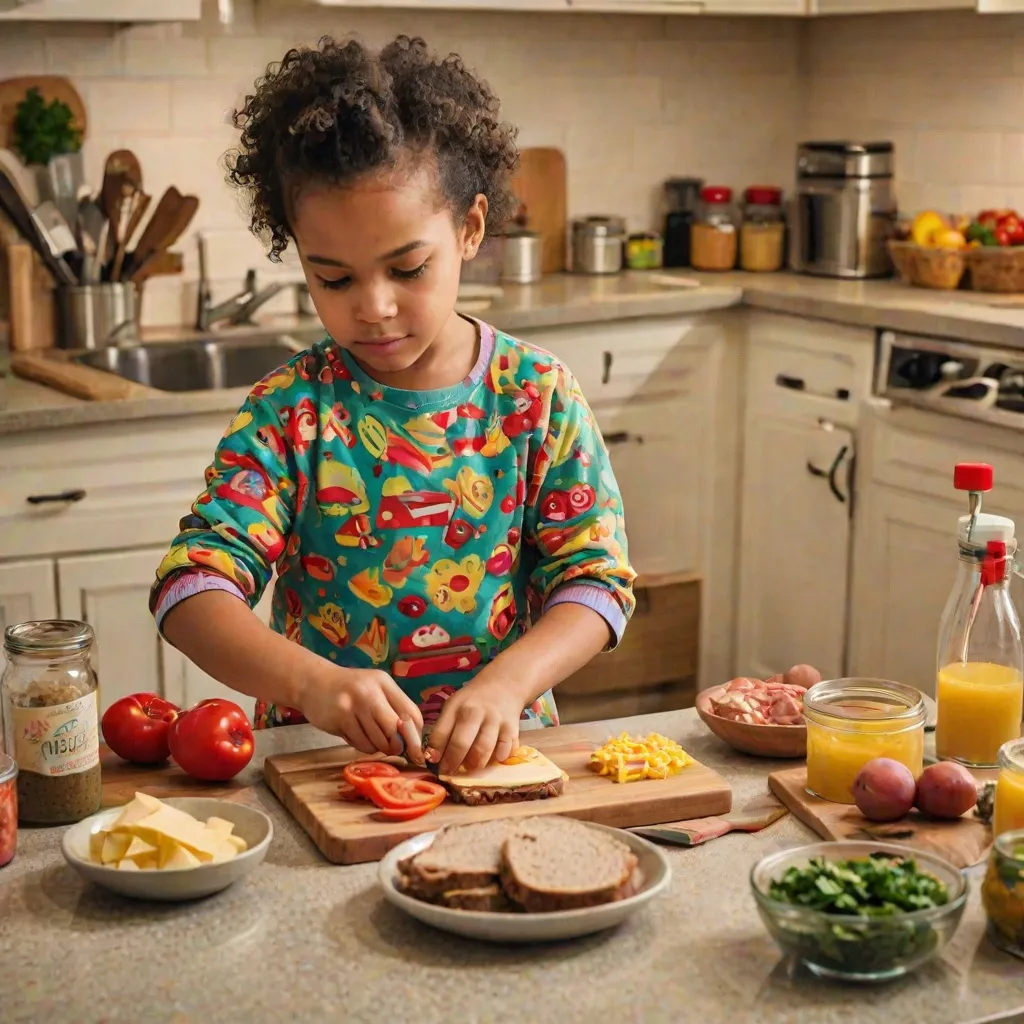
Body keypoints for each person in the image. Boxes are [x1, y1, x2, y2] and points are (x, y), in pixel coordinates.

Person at [151, 35, 636, 776]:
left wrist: (508, 685)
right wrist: (310, 684)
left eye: (407, 268)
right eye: (334, 279)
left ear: (470, 230)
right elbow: (191, 588)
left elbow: (596, 581)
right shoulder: (289, 414)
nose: (373, 308)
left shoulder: (538, 398)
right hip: (317, 764)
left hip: (501, 756)